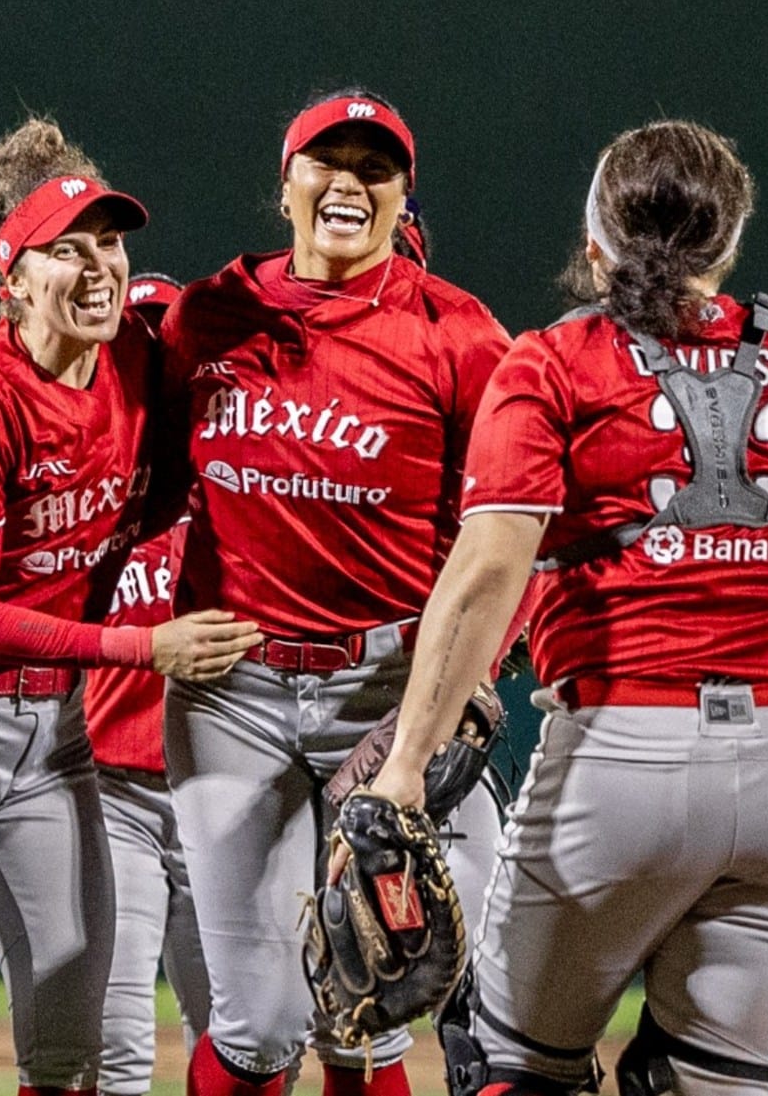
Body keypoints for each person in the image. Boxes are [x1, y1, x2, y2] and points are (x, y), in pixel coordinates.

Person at [365, 119, 768, 1096]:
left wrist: (403, 768)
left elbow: (488, 572)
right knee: (716, 1081)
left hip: (626, 755)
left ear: (595, 240)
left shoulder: (555, 361)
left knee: (511, 1061)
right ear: (729, 243)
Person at [0, 118, 262, 1096]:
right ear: (14, 278)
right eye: (64, 251)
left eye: (109, 243)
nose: (97, 268)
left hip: (55, 730)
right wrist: (143, 643)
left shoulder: (136, 370)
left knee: (69, 1053)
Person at [157, 91, 517, 1096]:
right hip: (234, 692)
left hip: (396, 689)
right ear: (286, 185)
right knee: (261, 1023)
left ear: (406, 199)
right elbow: (138, 485)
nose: (349, 179)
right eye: (327, 159)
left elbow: (521, 534)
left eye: (377, 165)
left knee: (434, 994)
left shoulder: (462, 337)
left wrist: (471, 678)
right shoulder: (207, 315)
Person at [81, 274, 212, 1096]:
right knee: (117, 1046)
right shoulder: (90, 480)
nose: (158, 352)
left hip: (219, 789)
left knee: (245, 1036)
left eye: (171, 337)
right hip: (110, 790)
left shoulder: (240, 478)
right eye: (144, 335)